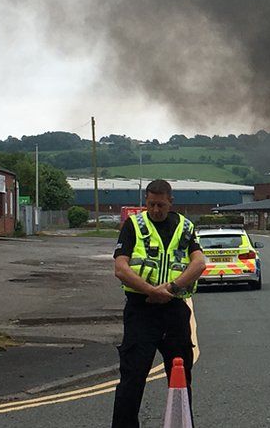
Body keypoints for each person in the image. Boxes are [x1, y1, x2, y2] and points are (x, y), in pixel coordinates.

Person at [112, 179, 206, 428]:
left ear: (170, 202)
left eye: (160, 205)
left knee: (181, 376)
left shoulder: (185, 227)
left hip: (174, 310)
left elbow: (199, 263)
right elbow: (120, 268)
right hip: (141, 310)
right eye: (151, 204)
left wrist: (171, 289)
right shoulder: (133, 225)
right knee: (132, 377)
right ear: (145, 201)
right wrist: (151, 291)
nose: (155, 210)